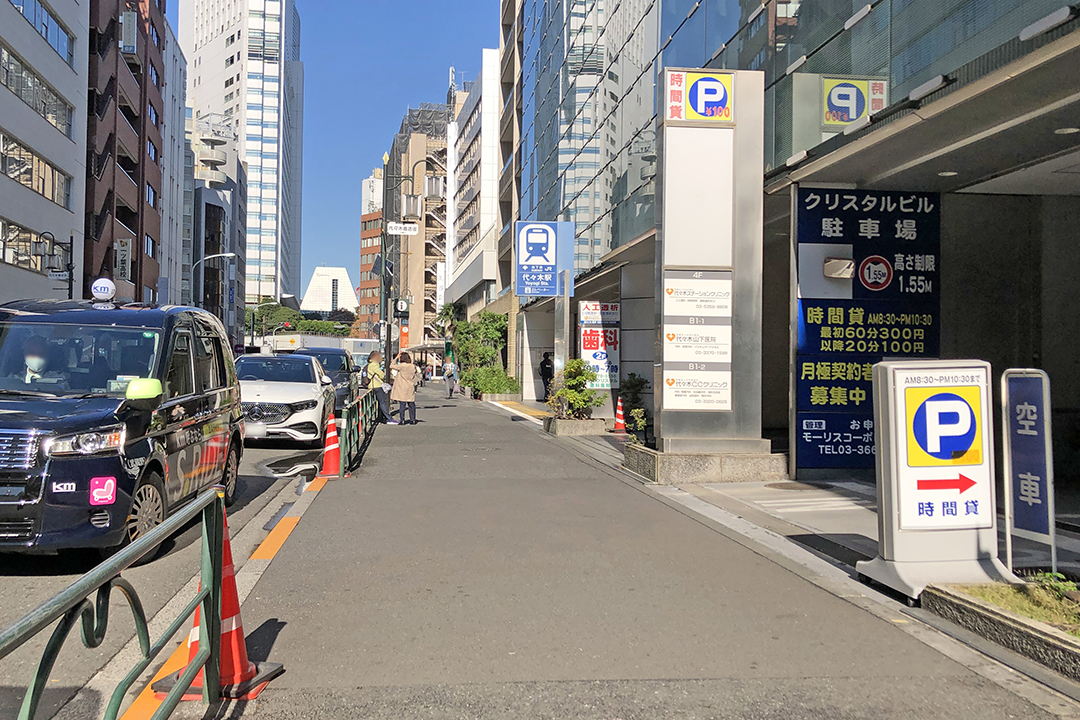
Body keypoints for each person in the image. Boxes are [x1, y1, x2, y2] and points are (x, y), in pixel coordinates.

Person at [366, 350, 397, 425]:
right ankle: (389, 418)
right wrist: (383, 375)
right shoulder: (375, 364)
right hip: (377, 385)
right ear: (375, 357)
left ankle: (380, 417)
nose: (380, 358)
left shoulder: (370, 364)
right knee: (383, 402)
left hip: (373, 386)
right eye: (378, 356)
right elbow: (382, 375)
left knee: (379, 402)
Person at [390, 351, 418, 425]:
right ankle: (413, 419)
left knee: (402, 404)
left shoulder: (401, 366)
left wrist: (396, 357)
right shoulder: (412, 366)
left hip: (402, 386)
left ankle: (402, 420)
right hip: (410, 386)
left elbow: (391, 366)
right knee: (411, 403)